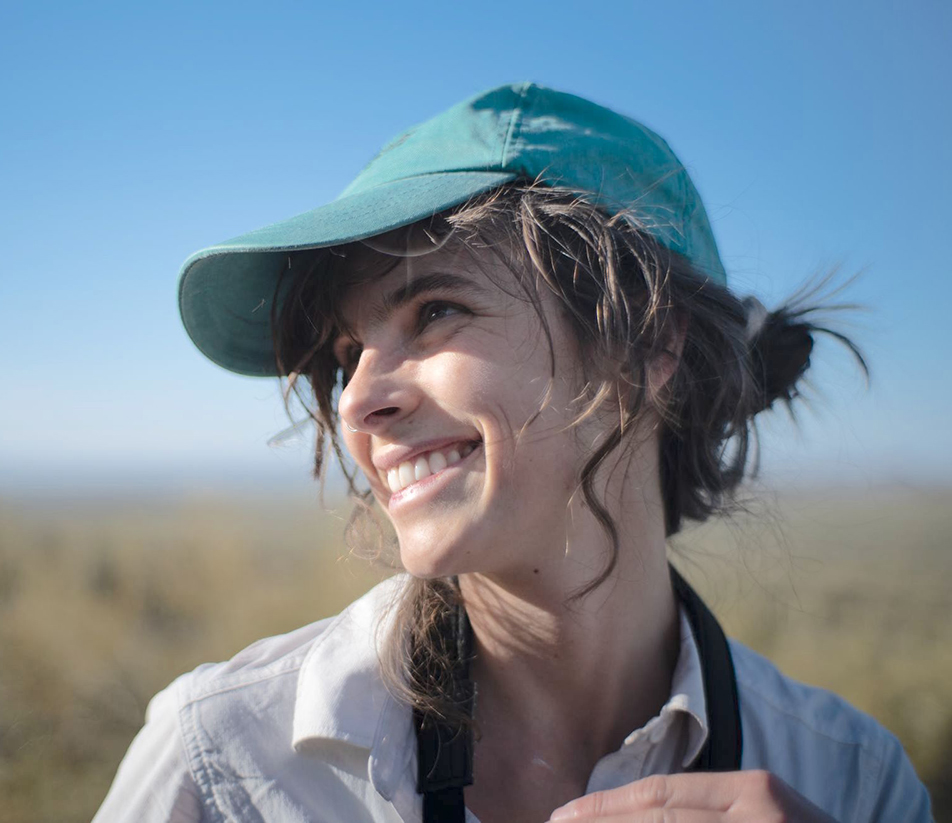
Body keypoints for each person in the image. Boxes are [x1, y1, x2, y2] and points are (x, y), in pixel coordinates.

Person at [93, 82, 933, 822]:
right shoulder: (222, 763)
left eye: (434, 311)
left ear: (645, 339)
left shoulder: (854, 781)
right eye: (346, 353)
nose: (355, 399)